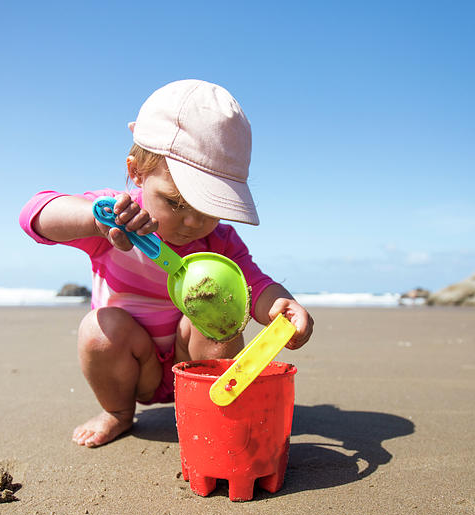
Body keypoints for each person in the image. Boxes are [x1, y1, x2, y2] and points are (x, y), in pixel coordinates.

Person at [19, 79, 313, 447]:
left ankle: (212, 417)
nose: (193, 223)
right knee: (98, 328)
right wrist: (93, 219)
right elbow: (34, 216)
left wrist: (281, 305)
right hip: (132, 363)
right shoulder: (115, 218)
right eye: (175, 203)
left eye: (209, 209)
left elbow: (255, 284)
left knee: (219, 317)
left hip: (191, 361)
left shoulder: (218, 243)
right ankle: (118, 413)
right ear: (137, 172)